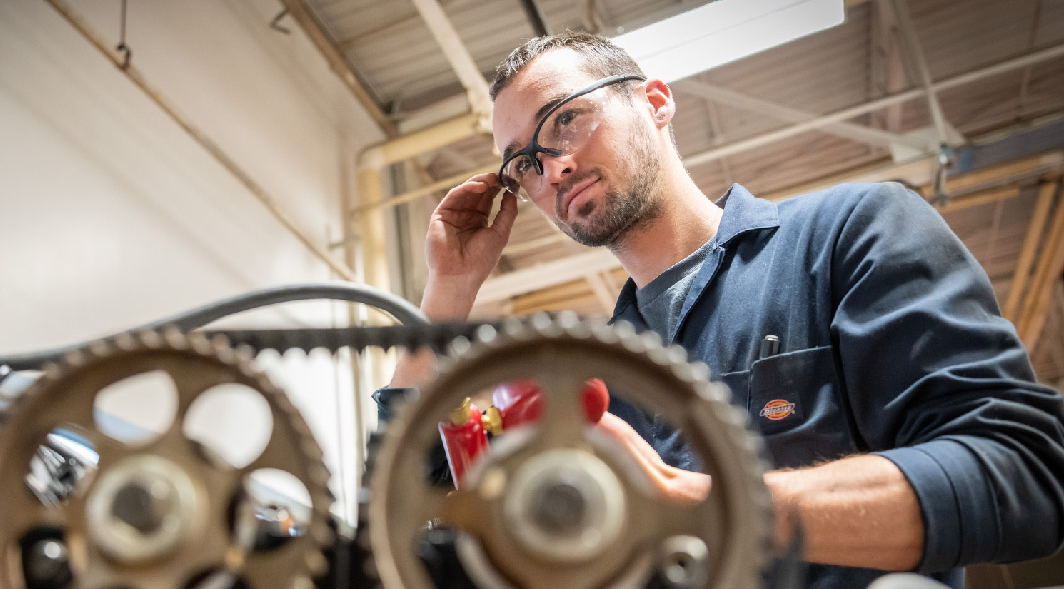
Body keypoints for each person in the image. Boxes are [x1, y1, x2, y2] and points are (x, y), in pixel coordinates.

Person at [382, 30, 1064, 588]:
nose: (552, 167)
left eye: (566, 119)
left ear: (655, 102)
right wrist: (448, 289)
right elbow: (403, 499)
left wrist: (691, 500)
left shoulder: (849, 234)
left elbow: (1023, 470)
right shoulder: (591, 373)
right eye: (524, 162)